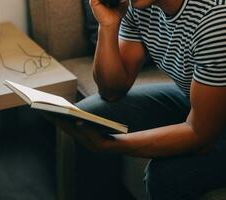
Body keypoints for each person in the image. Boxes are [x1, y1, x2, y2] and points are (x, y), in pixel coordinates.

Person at [57, 0, 226, 199]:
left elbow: (200, 135)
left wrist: (111, 145)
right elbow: (112, 90)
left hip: (214, 125)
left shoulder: (214, 18)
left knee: (165, 175)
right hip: (197, 101)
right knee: (85, 119)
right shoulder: (139, 6)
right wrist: (108, 26)